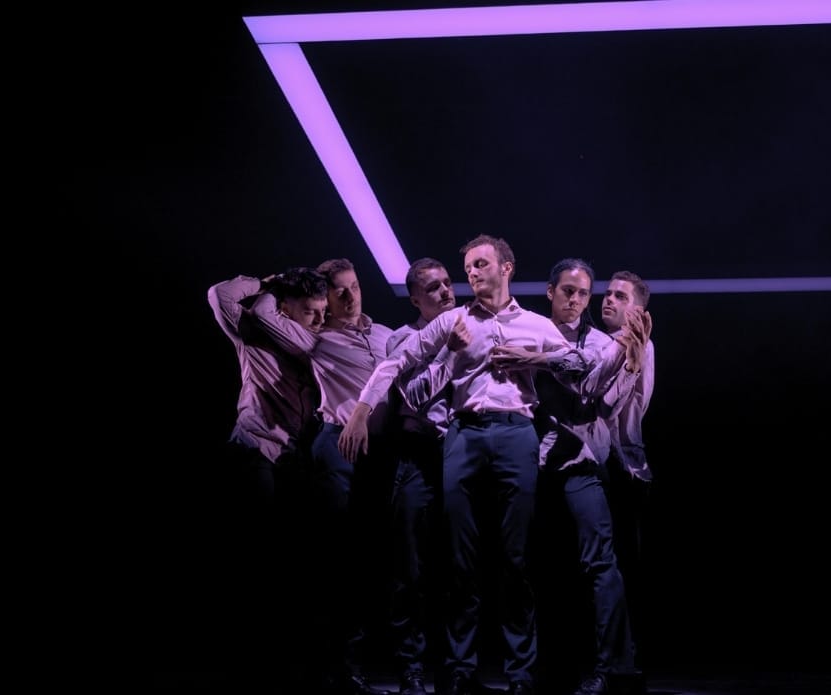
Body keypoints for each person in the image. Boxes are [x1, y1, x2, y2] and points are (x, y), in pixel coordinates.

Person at [338, 235, 644, 695]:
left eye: (481, 264)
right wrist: (363, 408)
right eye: (468, 267)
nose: (473, 273)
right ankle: (460, 671)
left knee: (516, 558)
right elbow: (400, 366)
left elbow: (581, 366)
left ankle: (521, 674)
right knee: (460, 557)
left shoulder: (538, 325)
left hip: (517, 434)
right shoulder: (454, 322)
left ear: (506, 268)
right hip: (464, 434)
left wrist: (545, 356)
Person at [249, 257, 394, 695]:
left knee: (374, 562)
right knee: (336, 558)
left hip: (386, 453)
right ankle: (332, 666)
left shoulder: (387, 334)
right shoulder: (314, 337)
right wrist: (271, 282)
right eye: (340, 291)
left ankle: (356, 661)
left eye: (355, 287)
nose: (350, 297)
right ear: (325, 301)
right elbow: (257, 313)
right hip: (338, 446)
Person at [206, 267, 328, 691]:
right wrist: (266, 285)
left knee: (291, 566)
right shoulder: (253, 333)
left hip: (295, 460)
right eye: (311, 311)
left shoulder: (311, 346)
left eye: (322, 312)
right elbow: (220, 293)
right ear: (286, 307)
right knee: (255, 559)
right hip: (255, 451)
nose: (319, 320)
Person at [531, 259, 650, 695]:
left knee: (600, 566)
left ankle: (611, 665)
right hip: (536, 465)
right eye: (567, 291)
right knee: (536, 568)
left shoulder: (604, 343)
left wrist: (631, 361)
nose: (576, 300)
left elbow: (604, 395)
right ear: (550, 292)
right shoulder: (530, 329)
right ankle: (536, 667)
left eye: (583, 293)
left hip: (583, 463)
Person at [385, 258, 459, 695]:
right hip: (415, 455)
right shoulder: (403, 338)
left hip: (456, 454)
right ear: (416, 298)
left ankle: (455, 666)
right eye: (434, 288)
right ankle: (411, 664)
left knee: (456, 566)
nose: (447, 291)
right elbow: (414, 397)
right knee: (409, 565)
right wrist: (451, 347)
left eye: (448, 283)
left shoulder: (470, 330)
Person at [598, 271, 655, 683]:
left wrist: (630, 357)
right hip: (604, 465)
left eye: (620, 296)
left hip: (625, 467)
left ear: (638, 309)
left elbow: (621, 411)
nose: (609, 300)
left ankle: (625, 660)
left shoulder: (641, 348)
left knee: (623, 568)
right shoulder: (597, 343)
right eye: (607, 293)